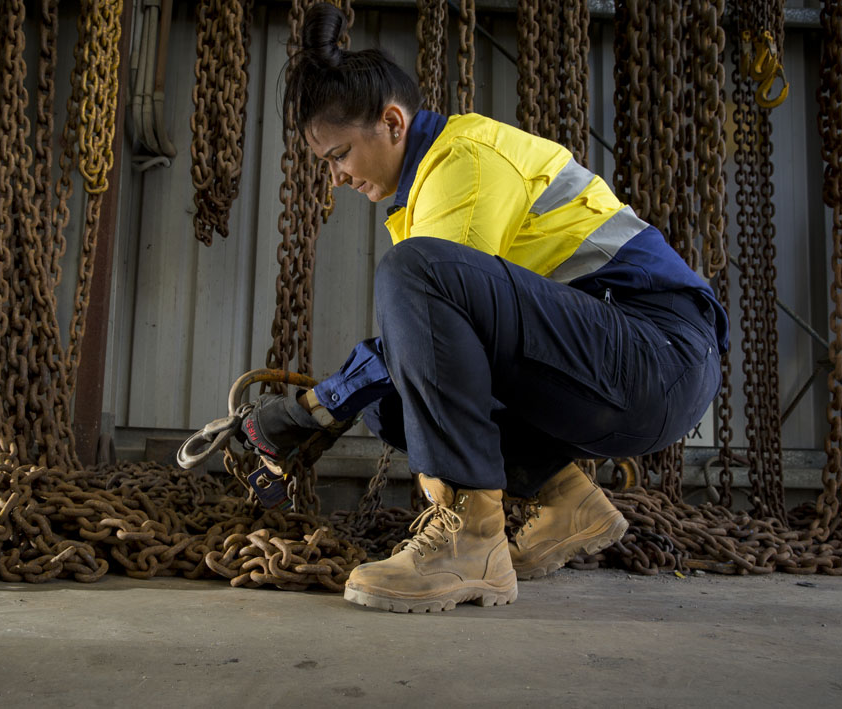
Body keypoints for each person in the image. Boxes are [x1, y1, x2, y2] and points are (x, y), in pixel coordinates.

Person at [239, 2, 727, 613]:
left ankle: (470, 545)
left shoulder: (461, 162)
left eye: (338, 155)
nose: (334, 177)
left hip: (658, 353)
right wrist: (330, 405)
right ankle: (567, 503)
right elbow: (423, 359)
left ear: (392, 122)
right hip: (613, 370)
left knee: (412, 279)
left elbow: (422, 326)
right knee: (393, 404)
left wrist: (309, 410)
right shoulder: (420, 196)